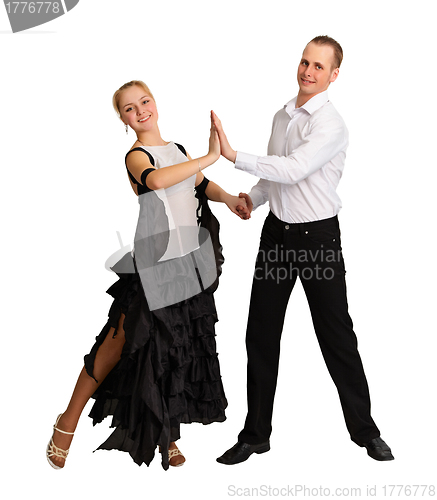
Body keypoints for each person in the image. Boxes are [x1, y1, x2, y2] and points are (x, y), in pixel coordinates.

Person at [46, 80, 250, 471]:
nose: (140, 111)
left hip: (186, 265)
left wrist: (229, 199)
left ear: (155, 103)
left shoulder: (178, 151)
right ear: (123, 120)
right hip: (153, 265)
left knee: (173, 350)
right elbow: (158, 180)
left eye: (144, 101)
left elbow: (200, 185)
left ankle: (167, 433)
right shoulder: (136, 156)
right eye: (128, 108)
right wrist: (210, 155)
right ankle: (66, 421)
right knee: (117, 342)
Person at [212, 36, 394, 464]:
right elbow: (276, 173)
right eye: (305, 62)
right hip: (277, 237)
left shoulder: (331, 124)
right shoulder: (282, 115)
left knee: (336, 338)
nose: (308, 71)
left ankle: (366, 433)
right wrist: (253, 201)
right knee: (260, 334)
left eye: (318, 66)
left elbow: (294, 170)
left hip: (318, 243)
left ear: (333, 75)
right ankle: (255, 435)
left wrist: (233, 155)